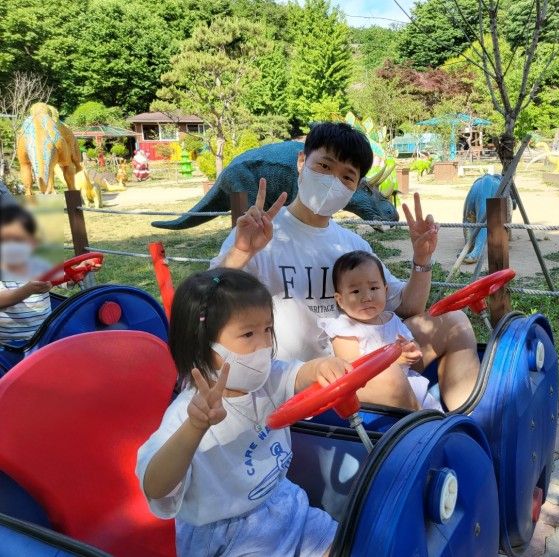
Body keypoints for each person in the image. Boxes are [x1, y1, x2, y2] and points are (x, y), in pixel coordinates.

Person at [212, 122, 479, 411]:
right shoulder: (261, 236)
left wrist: (422, 260)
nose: (332, 181)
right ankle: (441, 439)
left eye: (347, 177)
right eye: (325, 166)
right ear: (302, 162)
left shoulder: (352, 245)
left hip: (358, 355)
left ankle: (473, 425)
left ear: (354, 188)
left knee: (455, 322)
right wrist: (241, 252)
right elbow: (210, 302)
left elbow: (408, 307)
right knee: (390, 381)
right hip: (301, 376)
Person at [136, 269, 344, 557]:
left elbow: (297, 374)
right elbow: (156, 487)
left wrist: (320, 367)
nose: (264, 345)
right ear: (202, 345)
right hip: (228, 535)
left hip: (282, 501)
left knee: (346, 544)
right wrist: (195, 427)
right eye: (248, 334)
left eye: (268, 330)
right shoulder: (186, 415)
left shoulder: (267, 380)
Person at [318, 250, 444, 411]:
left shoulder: (391, 319)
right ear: (340, 300)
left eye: (374, 288)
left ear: (385, 291)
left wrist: (412, 351)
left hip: (412, 384)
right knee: (424, 423)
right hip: (380, 397)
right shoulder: (344, 329)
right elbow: (352, 370)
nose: (367, 297)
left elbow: (411, 344)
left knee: (438, 417)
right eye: (355, 291)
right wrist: (394, 363)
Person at [0, 205, 53, 343]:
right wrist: (27, 290)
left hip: (46, 336)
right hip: (10, 345)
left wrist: (78, 270)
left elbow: (61, 277)